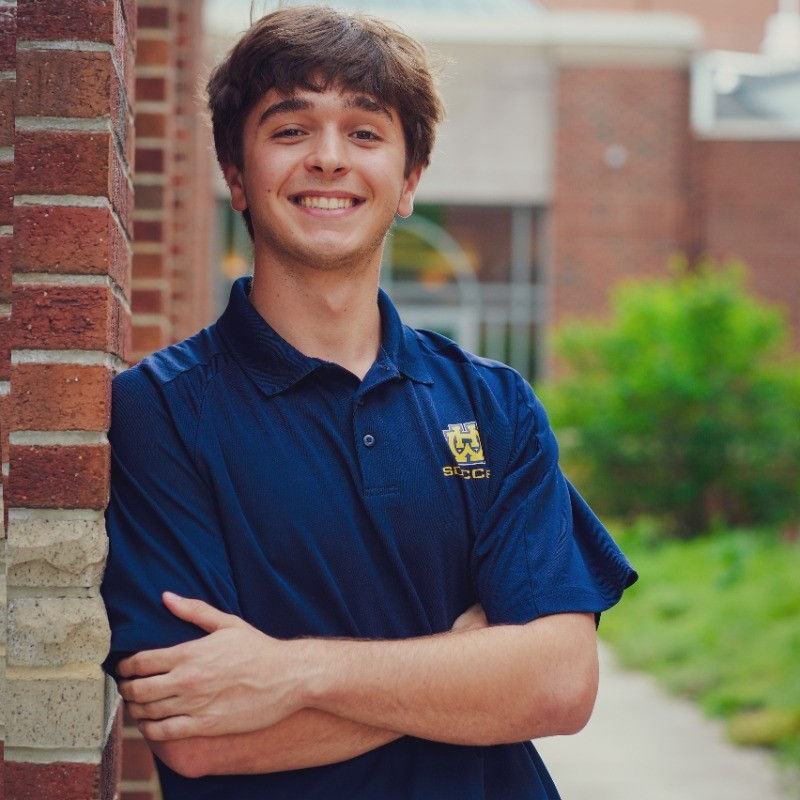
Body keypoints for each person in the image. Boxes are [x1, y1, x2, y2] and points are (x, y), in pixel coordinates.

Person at [100, 6, 637, 799]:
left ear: (410, 180)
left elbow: (559, 684)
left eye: (364, 132)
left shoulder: (494, 404)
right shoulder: (157, 413)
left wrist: (293, 672)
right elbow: (201, 737)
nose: (327, 159)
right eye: (289, 130)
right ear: (237, 178)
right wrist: (471, 670)